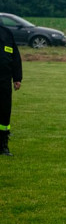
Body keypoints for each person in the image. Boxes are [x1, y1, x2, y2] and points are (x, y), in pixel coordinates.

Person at [0, 23, 22, 156]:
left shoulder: (6, 33)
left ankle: (3, 145)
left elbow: (15, 57)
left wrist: (17, 78)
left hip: (4, 82)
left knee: (4, 113)